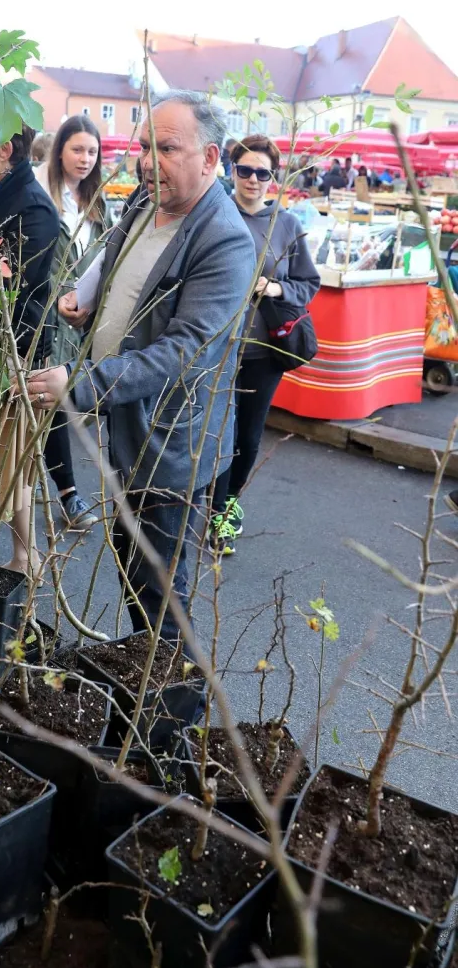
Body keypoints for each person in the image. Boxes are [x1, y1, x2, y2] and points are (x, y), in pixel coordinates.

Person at [25, 91, 256, 640]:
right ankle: (155, 699)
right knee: (134, 574)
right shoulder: (144, 202)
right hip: (127, 420)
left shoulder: (225, 241)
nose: (149, 160)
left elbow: (183, 350)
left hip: (169, 443)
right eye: (146, 145)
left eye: (168, 148)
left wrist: (80, 387)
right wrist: (90, 309)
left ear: (210, 158)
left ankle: (176, 714)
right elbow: (122, 274)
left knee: (158, 597)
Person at [209, 134, 320, 553]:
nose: (253, 179)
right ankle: (212, 508)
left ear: (273, 177)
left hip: (265, 350)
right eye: (245, 170)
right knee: (216, 430)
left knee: (249, 435)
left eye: (262, 173)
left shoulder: (287, 225)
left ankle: (227, 505)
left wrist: (275, 288)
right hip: (218, 344)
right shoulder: (216, 215)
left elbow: (308, 283)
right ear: (231, 170)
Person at [0, 120, 60, 576]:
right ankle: (24, 559)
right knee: (5, 466)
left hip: (8, 357)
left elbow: (25, 296)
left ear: (5, 151)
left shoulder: (33, 209)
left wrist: (9, 361)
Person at [34, 116, 106, 530]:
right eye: (77, 149)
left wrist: (90, 304)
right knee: (52, 398)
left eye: (92, 152)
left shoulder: (97, 203)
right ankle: (68, 494)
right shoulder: (43, 196)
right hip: (43, 317)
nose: (85, 158)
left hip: (82, 321)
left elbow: (104, 259)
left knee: (65, 399)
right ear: (60, 149)